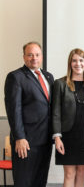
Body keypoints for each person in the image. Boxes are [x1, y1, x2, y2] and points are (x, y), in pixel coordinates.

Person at [4, 42, 54, 187]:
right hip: (26, 142)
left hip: (45, 140)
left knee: (40, 181)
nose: (34, 58)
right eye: (30, 55)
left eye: (37, 55)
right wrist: (19, 137)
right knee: (24, 182)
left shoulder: (48, 77)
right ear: (24, 57)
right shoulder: (16, 77)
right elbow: (14, 110)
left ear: (42, 57)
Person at [52, 48, 84, 187]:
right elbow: (56, 112)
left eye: (81, 60)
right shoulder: (60, 83)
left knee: (81, 172)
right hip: (67, 136)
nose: (78, 64)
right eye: (74, 60)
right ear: (70, 63)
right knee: (69, 174)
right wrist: (57, 137)